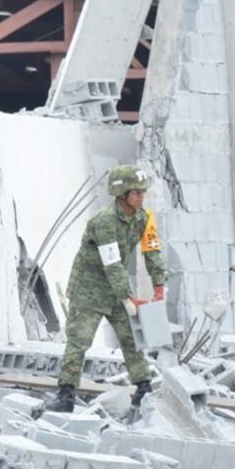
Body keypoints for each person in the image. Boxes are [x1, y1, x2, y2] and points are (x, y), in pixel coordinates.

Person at [45, 166, 167, 413]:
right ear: (122, 194)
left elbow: (152, 251)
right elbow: (111, 262)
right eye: (136, 193)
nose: (141, 197)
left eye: (143, 192)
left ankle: (143, 389)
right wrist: (128, 297)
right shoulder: (103, 221)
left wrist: (159, 286)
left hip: (116, 290)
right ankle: (65, 395)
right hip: (89, 289)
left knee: (131, 340)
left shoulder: (143, 218)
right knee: (79, 341)